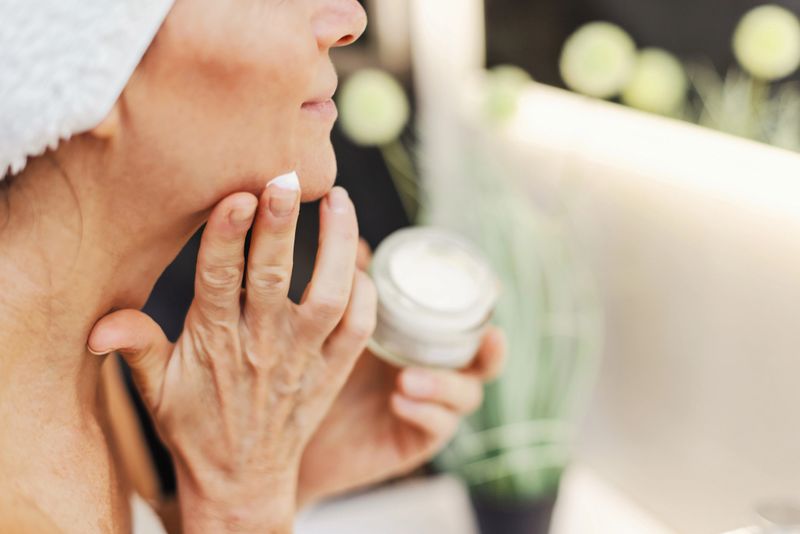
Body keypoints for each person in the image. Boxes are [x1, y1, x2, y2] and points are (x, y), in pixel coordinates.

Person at [0, 1, 506, 532]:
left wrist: (283, 458)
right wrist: (242, 504)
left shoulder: (65, 366)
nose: (350, 18)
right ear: (85, 65)